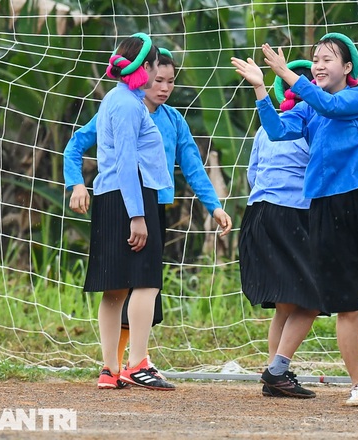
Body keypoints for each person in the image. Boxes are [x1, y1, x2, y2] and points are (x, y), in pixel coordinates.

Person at [231, 33, 358, 407]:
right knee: (346, 306)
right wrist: (261, 89)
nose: (319, 65)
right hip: (326, 209)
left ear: (347, 67)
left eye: (327, 59)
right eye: (315, 59)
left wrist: (284, 73)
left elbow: (330, 106)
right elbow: (276, 131)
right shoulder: (307, 108)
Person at [64, 47, 232, 385]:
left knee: (132, 290)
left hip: (153, 203)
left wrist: (213, 204)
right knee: (136, 284)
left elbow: (193, 165)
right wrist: (76, 183)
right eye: (159, 78)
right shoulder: (125, 107)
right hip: (130, 200)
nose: (165, 86)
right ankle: (131, 363)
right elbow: (76, 146)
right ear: (144, 73)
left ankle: (118, 367)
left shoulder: (173, 119)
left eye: (171, 81)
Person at [239, 60, 321, 399]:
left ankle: (277, 374)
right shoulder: (317, 123)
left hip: (258, 213)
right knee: (313, 299)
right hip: (291, 216)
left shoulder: (265, 127)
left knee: (286, 305)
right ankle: (278, 369)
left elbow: (251, 175)